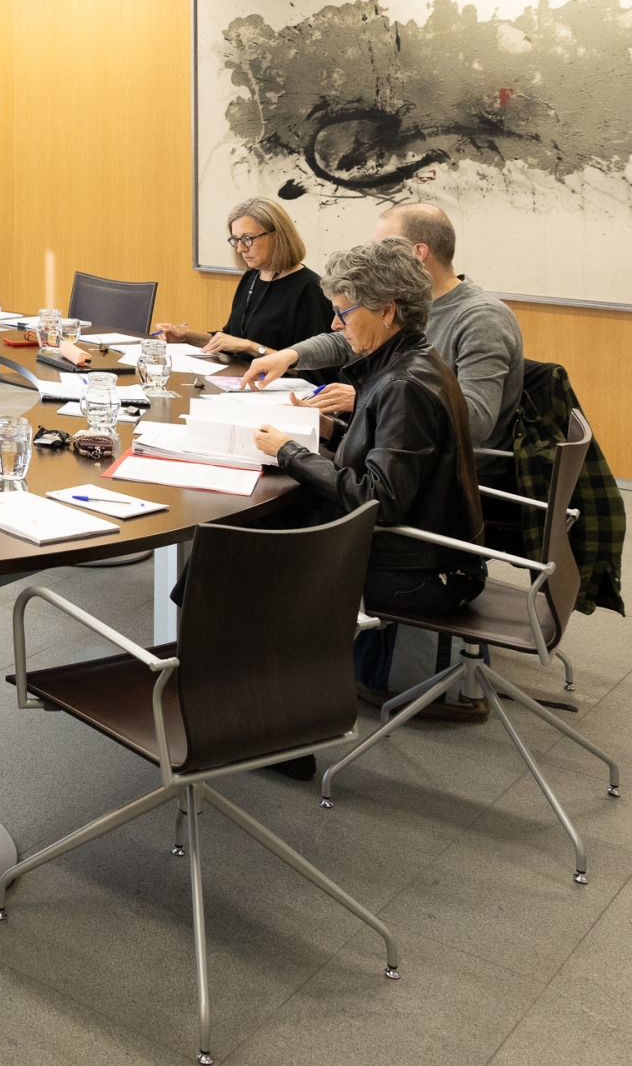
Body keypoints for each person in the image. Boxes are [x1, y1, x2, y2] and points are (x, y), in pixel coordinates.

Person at [250, 237, 486, 713]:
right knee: (259, 533)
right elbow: (390, 452)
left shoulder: (403, 383)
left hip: (420, 569)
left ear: (387, 310)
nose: (335, 325)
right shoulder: (409, 361)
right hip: (424, 548)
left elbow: (381, 499)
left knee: (247, 561)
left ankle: (266, 706)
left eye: (343, 312)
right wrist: (332, 428)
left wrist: (289, 452)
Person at [243, 201, 523, 447]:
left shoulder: (482, 318)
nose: (373, 256)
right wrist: (289, 356)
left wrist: (369, 398)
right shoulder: (406, 301)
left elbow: (475, 422)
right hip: (398, 442)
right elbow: (347, 340)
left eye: (382, 247)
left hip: (450, 466)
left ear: (417, 253)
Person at [154, 197, 332, 359]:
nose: (240, 249)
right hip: (241, 379)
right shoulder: (252, 277)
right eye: (236, 239)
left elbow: (316, 366)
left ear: (277, 236)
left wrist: (250, 347)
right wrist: (185, 337)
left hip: (284, 383)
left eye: (248, 238)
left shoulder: (310, 289)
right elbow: (230, 340)